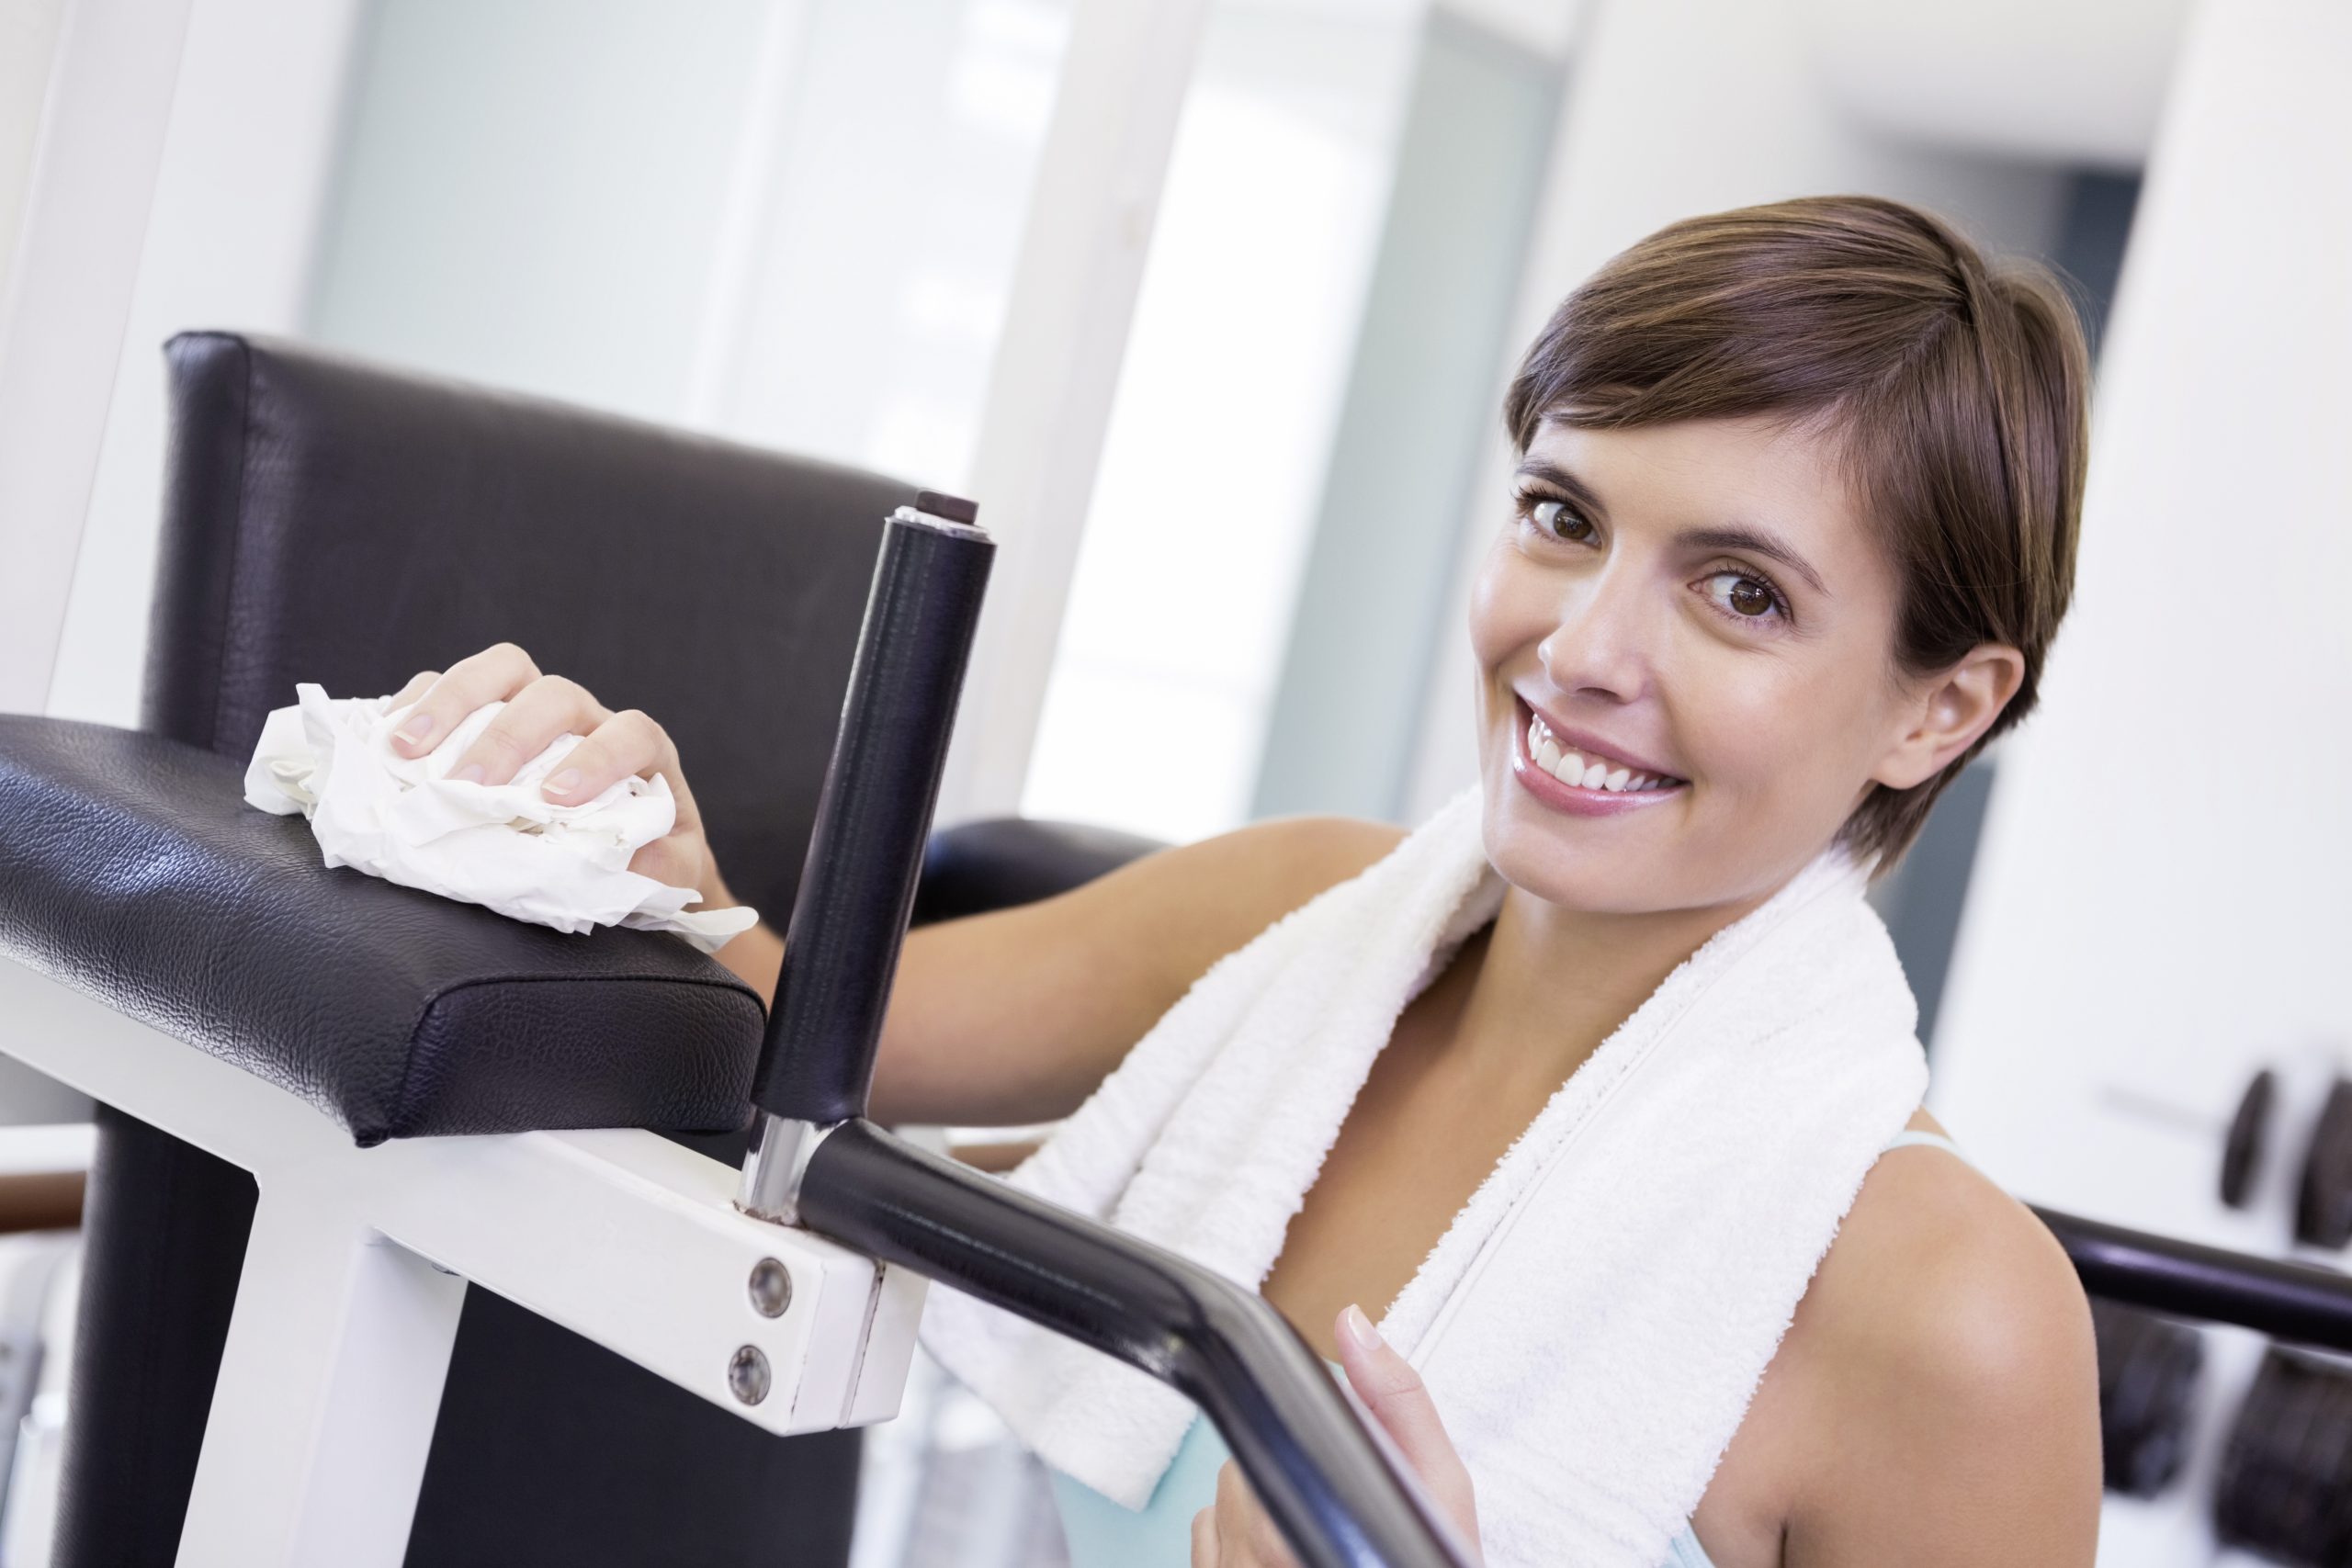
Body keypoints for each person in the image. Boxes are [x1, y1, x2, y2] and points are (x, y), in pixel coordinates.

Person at [380, 194, 2103, 1565]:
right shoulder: (1296, 923)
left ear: (1941, 709)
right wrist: (636, 844)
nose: (1581, 651)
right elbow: (790, 1040)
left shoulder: (1958, 1322)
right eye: (1565, 518)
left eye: (1742, 594)